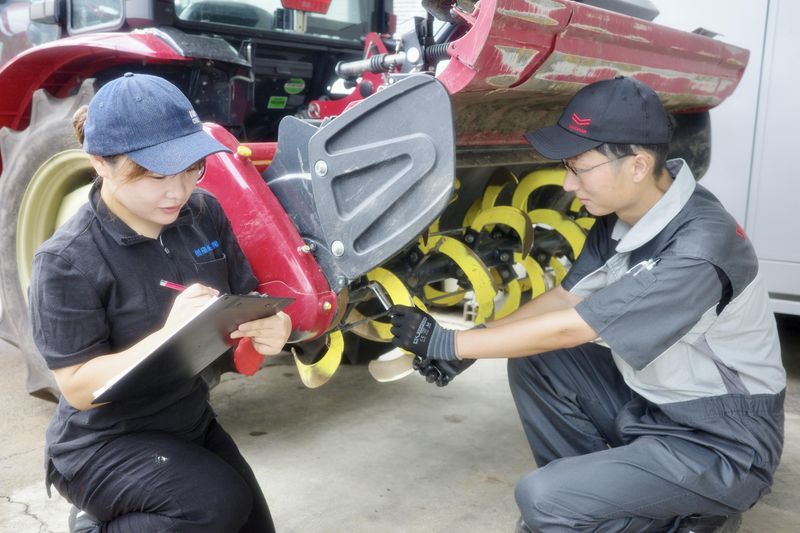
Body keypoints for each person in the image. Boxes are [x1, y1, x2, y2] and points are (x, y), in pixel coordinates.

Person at [389, 76, 785, 532]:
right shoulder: (630, 213)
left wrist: (448, 342)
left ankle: (678, 515)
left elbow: (574, 325)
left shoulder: (697, 249)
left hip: (722, 443)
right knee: (538, 363)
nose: (567, 182)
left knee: (542, 500)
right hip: (657, 406)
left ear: (636, 165)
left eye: (579, 167)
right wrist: (474, 343)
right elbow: (564, 298)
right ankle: (615, 499)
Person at [29, 73, 292, 532]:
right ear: (101, 163)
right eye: (155, 175)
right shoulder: (67, 260)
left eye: (192, 168)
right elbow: (77, 387)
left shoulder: (203, 213)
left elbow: (245, 303)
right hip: (102, 442)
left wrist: (273, 329)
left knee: (251, 523)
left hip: (185, 415)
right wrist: (166, 334)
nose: (178, 191)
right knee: (214, 506)